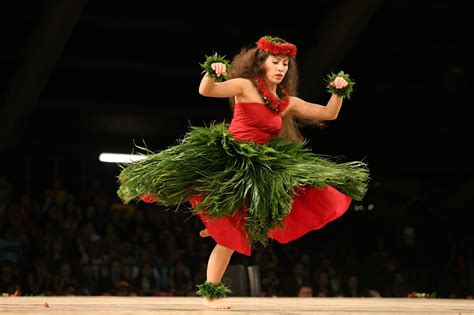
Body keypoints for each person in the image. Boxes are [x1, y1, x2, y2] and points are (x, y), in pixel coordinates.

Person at [117, 35, 369, 309]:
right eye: (275, 62)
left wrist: (338, 91)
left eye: (285, 64)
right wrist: (213, 72)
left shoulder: (285, 101)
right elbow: (207, 91)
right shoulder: (244, 86)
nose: (281, 68)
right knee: (229, 238)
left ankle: (215, 227)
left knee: (304, 194)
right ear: (261, 63)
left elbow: (328, 113)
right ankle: (211, 292)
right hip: (231, 159)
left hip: (260, 167)